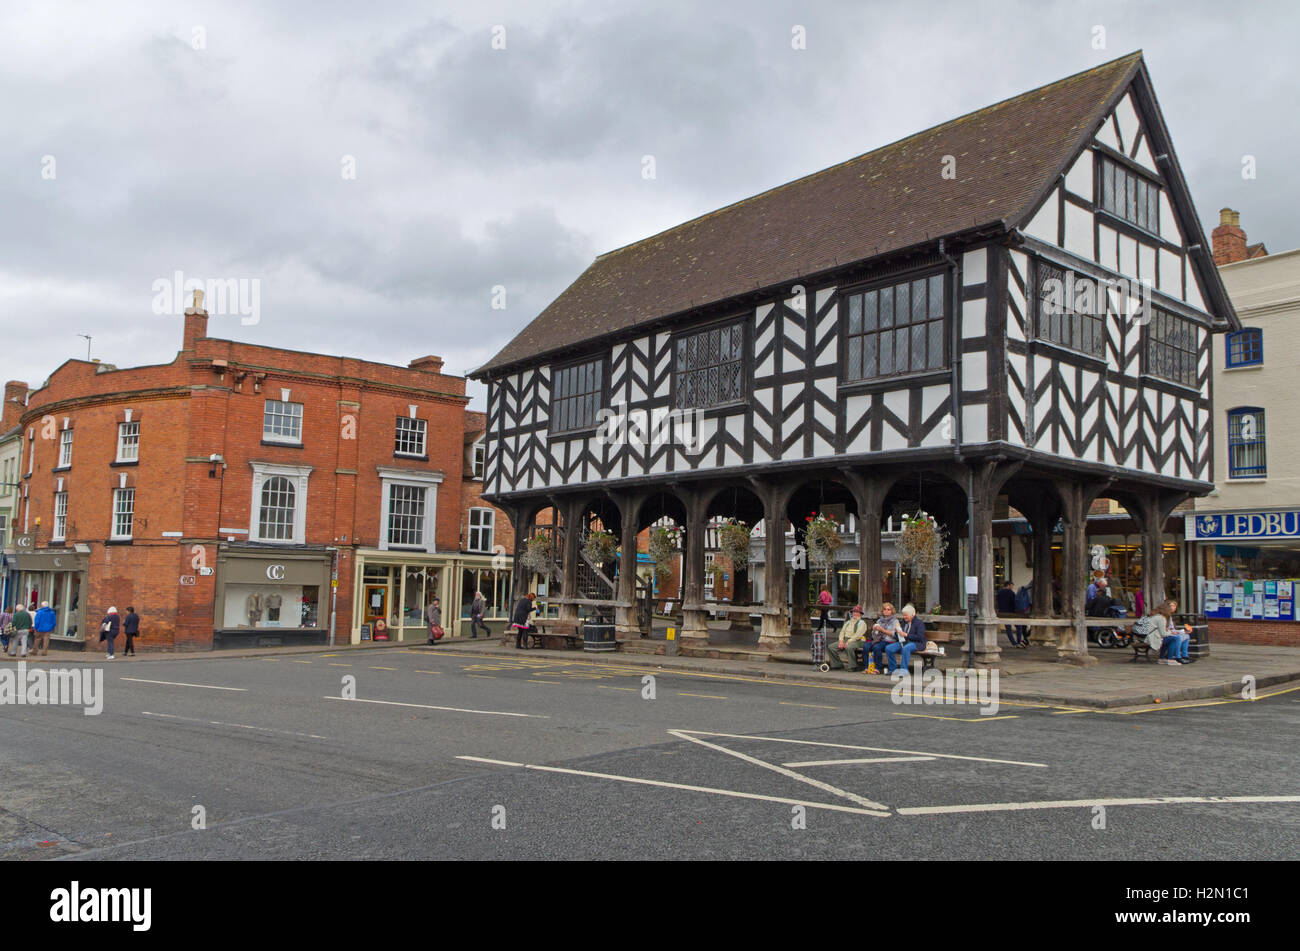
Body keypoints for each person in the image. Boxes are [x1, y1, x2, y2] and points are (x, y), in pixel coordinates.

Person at [884, 604, 927, 674]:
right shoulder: (903, 622)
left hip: (917, 643)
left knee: (906, 648)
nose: (904, 617)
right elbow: (898, 637)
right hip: (904, 642)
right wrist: (896, 632)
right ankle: (893, 669)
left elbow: (920, 637)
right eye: (903, 615)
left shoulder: (919, 623)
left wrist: (906, 635)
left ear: (912, 615)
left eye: (906, 615)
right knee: (889, 648)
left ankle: (904, 671)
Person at [826, 605, 870, 670]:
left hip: (857, 641)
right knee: (831, 647)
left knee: (849, 647)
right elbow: (842, 632)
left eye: (857, 612)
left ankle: (853, 666)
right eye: (854, 612)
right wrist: (841, 641)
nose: (855, 613)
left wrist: (848, 642)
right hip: (846, 639)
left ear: (860, 614)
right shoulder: (848, 622)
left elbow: (858, 635)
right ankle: (837, 664)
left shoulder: (862, 623)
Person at [865, 602, 901, 674]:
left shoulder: (895, 621)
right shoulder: (879, 621)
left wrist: (882, 630)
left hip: (889, 641)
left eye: (888, 609)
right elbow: (875, 636)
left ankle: (878, 668)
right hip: (879, 640)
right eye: (884, 609)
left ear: (892, 611)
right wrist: (874, 630)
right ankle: (867, 667)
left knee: (876, 647)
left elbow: (894, 634)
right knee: (866, 646)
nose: (886, 611)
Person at [1153, 600, 1194, 665]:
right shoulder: (1162, 616)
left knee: (1186, 636)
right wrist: (1176, 632)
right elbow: (1164, 630)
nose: (1174, 607)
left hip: (1165, 634)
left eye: (1175, 606)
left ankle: (1185, 656)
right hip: (1158, 636)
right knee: (1177, 637)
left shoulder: (1169, 616)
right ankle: (1176, 657)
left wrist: (1184, 631)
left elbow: (1171, 629)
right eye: (1172, 606)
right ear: (1167, 607)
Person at [996, 580, 1024, 647]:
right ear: (1008, 585)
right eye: (1012, 586)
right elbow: (1014, 602)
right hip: (1011, 612)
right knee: (1019, 626)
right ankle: (1019, 641)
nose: (1012, 587)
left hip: (1002, 612)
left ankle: (1014, 643)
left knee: (1008, 628)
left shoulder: (999, 592)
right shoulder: (1010, 592)